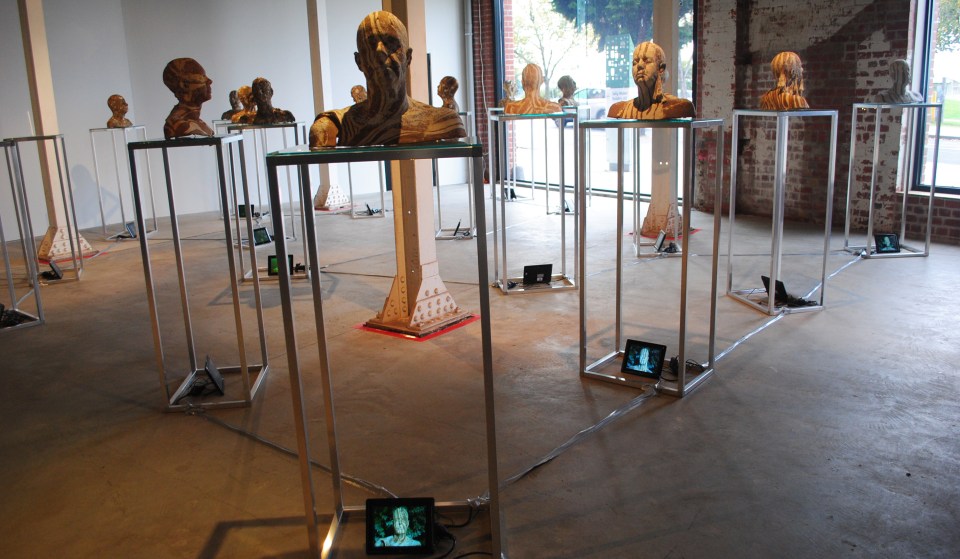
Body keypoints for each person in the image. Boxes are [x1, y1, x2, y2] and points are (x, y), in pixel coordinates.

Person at [309, 10, 465, 148]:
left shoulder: (442, 121)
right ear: (359, 61)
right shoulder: (336, 125)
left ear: (408, 58)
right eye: (371, 44)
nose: (380, 51)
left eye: (391, 43)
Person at [608, 42, 694, 120]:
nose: (639, 65)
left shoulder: (678, 106)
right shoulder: (620, 109)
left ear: (661, 69)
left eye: (647, 61)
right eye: (635, 62)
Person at [162, 57, 214, 139]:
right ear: (184, 85)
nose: (209, 81)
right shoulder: (179, 125)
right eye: (202, 77)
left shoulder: (199, 123)